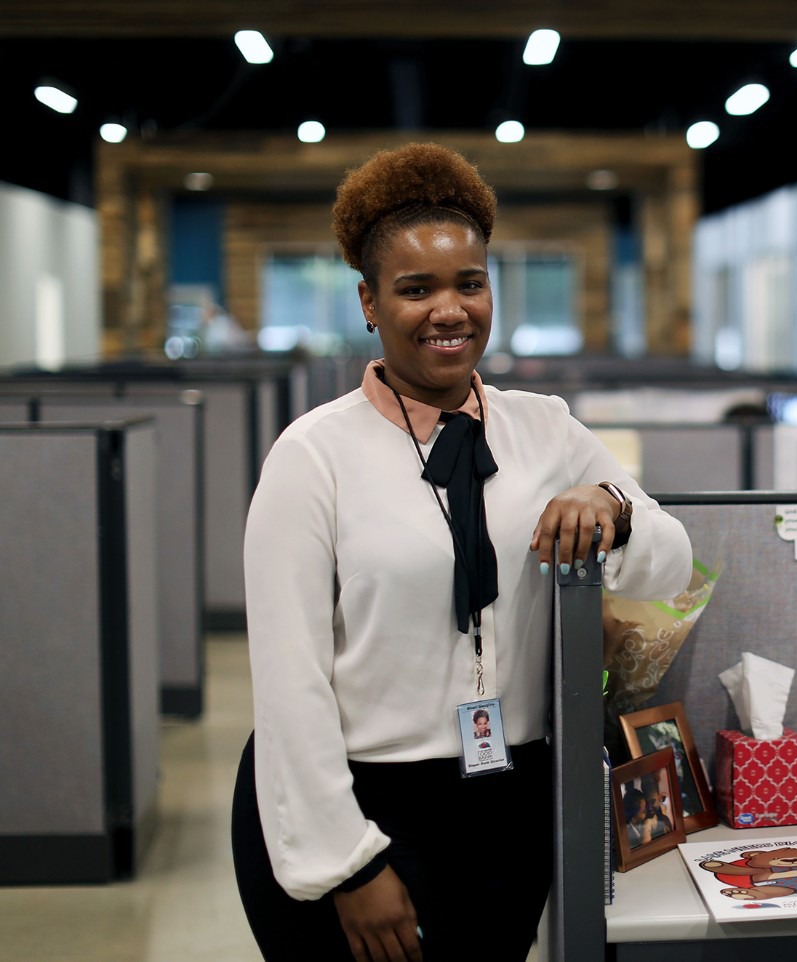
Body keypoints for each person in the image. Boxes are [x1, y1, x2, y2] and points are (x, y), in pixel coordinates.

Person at [230, 141, 693, 962]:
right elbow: (289, 685)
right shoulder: (313, 457)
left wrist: (614, 508)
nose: (450, 310)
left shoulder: (544, 427)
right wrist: (348, 866)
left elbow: (670, 563)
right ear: (369, 303)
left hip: (507, 804)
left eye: (469, 283)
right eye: (417, 289)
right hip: (361, 802)